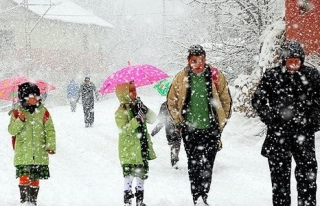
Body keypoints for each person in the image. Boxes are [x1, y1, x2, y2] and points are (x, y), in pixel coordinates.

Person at [252, 40, 319, 206]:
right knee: (280, 183)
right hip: (278, 137)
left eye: (297, 61)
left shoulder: (311, 75)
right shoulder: (272, 75)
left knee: (308, 180)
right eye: (290, 61)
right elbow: (258, 100)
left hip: (304, 137)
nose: (294, 65)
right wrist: (271, 118)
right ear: (284, 60)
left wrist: (314, 121)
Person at [167, 44, 232, 206]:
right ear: (188, 61)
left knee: (208, 164)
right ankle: (197, 197)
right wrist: (178, 121)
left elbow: (226, 99)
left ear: (205, 59)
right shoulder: (181, 78)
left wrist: (221, 122)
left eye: (201, 60)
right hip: (190, 130)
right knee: (194, 164)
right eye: (194, 60)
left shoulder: (215, 76)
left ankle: (204, 195)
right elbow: (171, 101)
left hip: (211, 129)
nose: (198, 64)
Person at [8, 82, 56, 206]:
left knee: (35, 177)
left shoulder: (43, 111)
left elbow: (50, 129)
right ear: (24, 97)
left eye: (37, 96)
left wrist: (50, 145)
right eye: (31, 96)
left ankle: (33, 200)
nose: (35, 99)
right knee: (24, 176)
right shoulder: (17, 112)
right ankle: (24, 201)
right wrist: (20, 120)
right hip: (23, 152)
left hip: (39, 151)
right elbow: (11, 130)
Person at [115, 81, 157, 206]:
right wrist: (136, 119)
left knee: (141, 174)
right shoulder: (121, 112)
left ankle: (140, 201)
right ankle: (127, 200)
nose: (134, 92)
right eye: (131, 90)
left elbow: (153, 119)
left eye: (135, 89)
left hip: (142, 146)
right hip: (129, 149)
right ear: (124, 94)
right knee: (129, 175)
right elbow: (123, 130)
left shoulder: (138, 106)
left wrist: (144, 109)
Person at [151, 101, 181, 169]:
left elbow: (161, 121)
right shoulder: (179, 103)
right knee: (176, 144)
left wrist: (154, 131)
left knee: (174, 143)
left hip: (169, 129)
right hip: (177, 128)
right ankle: (174, 158)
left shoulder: (165, 104)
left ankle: (174, 157)